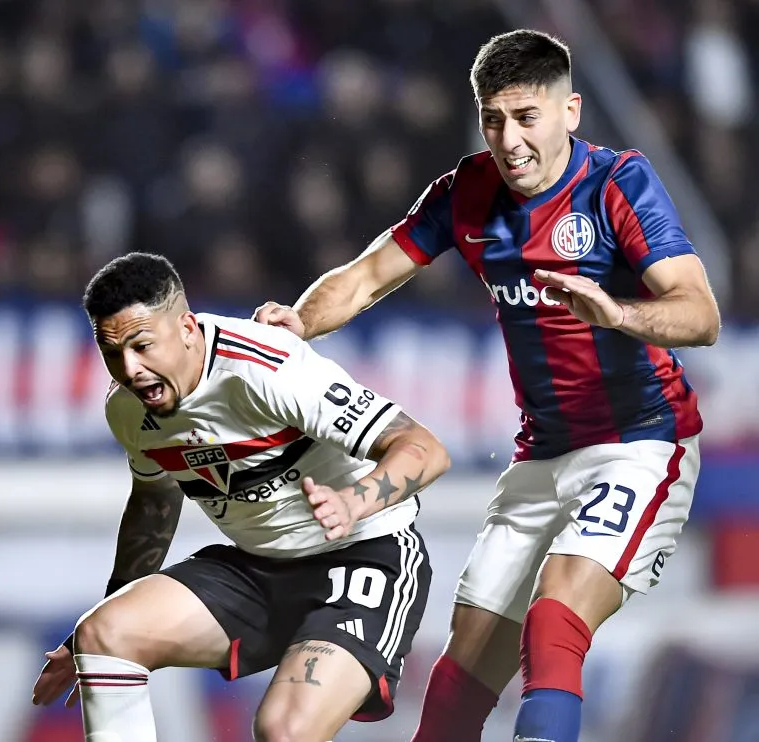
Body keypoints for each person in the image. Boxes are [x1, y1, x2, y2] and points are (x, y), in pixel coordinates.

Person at [254, 28, 720, 742]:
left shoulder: (618, 183)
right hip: (540, 456)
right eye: (493, 120)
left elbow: (701, 313)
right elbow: (367, 276)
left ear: (571, 112)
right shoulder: (466, 193)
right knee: (456, 684)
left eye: (526, 117)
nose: (510, 140)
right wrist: (298, 323)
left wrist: (618, 312)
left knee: (555, 617)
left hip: (640, 444)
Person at [30, 252, 450, 741]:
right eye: (113, 353)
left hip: (361, 558)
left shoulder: (265, 369)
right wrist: (100, 625)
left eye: (143, 346)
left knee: (282, 729)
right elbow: (154, 502)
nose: (131, 369)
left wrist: (354, 502)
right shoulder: (128, 410)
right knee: (104, 634)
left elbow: (425, 449)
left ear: (186, 328)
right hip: (257, 570)